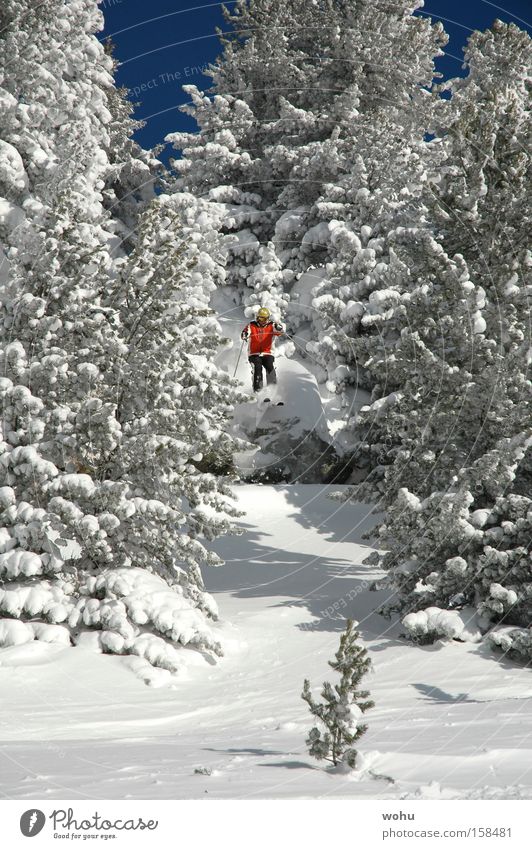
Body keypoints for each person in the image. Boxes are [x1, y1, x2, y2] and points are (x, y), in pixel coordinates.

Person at [241, 307, 285, 393]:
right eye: (260, 318)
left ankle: (272, 391)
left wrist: (279, 328)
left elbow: (280, 332)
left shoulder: (271, 326)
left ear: (268, 318)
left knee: (270, 367)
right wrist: (245, 334)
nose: (262, 321)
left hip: (268, 353)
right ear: (257, 318)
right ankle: (258, 390)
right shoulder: (252, 325)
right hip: (254, 353)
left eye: (264, 318)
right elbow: (245, 332)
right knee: (257, 368)